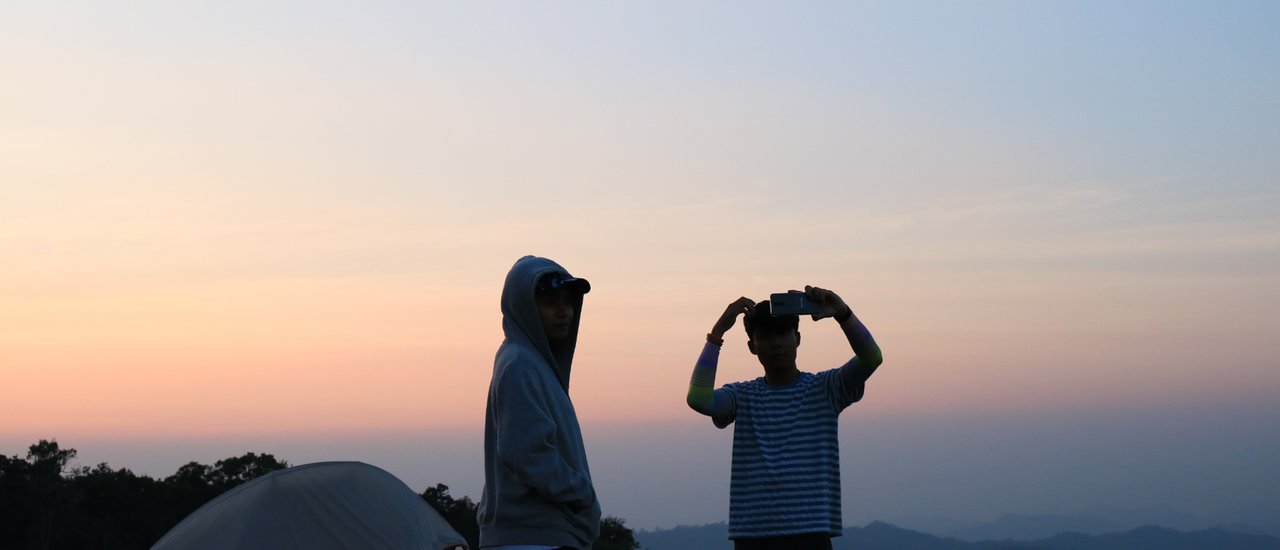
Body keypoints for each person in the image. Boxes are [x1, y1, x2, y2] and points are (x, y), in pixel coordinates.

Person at [686, 286, 884, 550]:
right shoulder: (741, 396)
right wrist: (717, 333)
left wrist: (842, 313)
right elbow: (699, 399)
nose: (777, 343)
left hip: (810, 533)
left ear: (797, 338)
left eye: (783, 333)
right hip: (753, 536)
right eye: (766, 336)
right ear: (752, 347)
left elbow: (871, 358)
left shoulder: (826, 388)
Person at [478, 256, 601, 550]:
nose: (564, 312)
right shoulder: (520, 363)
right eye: (550, 302)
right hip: (531, 539)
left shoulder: (532, 364)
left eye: (567, 301)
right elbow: (526, 453)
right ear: (525, 308)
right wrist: (581, 492)